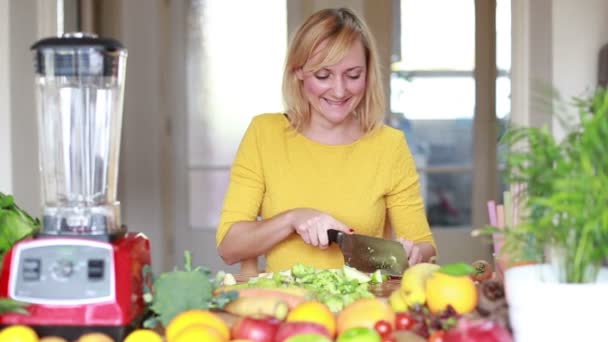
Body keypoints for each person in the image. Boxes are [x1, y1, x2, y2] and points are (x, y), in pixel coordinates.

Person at [216, 7, 436, 273]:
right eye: (323, 75)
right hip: (284, 306)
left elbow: (425, 245)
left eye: (353, 75)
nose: (340, 90)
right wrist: (293, 219)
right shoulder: (265, 133)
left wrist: (414, 253)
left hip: (363, 309)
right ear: (298, 71)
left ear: (368, 73)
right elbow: (230, 247)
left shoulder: (389, 145)